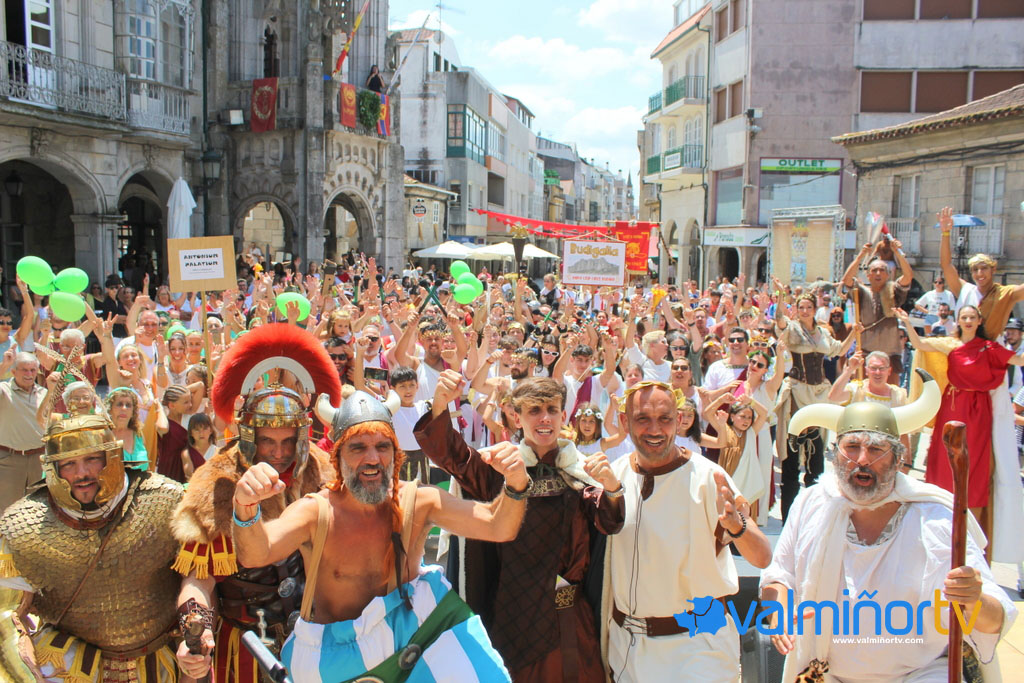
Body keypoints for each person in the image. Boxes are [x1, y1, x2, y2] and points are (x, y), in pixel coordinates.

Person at [230, 389, 524, 682]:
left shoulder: (419, 502)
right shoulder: (316, 512)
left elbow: (497, 526)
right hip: (340, 664)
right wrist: (245, 507)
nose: (373, 459)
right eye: (358, 448)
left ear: (396, 453)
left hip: (414, 650)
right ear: (337, 456)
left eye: (383, 446)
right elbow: (256, 553)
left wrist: (516, 483)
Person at [760, 375, 1016, 682]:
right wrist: (780, 612)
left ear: (898, 458)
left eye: (876, 449)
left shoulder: (934, 516)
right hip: (827, 675)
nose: (862, 460)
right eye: (852, 447)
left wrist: (973, 599)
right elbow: (779, 576)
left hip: (920, 675)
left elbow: (995, 619)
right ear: (835, 454)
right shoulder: (812, 503)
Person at [414, 373, 625, 681]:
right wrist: (440, 406)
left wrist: (613, 490)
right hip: (513, 617)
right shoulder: (497, 469)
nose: (545, 418)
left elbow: (609, 522)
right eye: (534, 410)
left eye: (552, 410)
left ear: (563, 416)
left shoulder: (580, 471)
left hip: (568, 621)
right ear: (516, 417)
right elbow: (452, 455)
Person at [172, 323, 341, 683]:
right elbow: (199, 580)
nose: (279, 453)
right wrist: (195, 627)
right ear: (249, 436)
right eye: (267, 441)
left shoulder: (322, 470)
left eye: (287, 441)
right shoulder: (216, 484)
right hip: (245, 643)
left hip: (315, 636)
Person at [601, 381, 772, 682]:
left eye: (665, 418)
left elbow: (762, 557)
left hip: (699, 646)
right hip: (628, 648)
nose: (655, 429)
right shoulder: (614, 477)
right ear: (625, 422)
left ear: (679, 420)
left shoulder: (709, 477)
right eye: (643, 419)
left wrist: (736, 526)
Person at [0, 413, 185, 680]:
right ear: (52, 468)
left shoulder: (165, 500)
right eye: (69, 464)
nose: (82, 473)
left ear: (112, 457)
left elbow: (199, 579)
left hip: (157, 661)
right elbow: (7, 617)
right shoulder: (23, 524)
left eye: (92, 459)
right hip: (67, 663)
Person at [896, 305, 1024, 563]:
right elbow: (919, 343)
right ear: (958, 320)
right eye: (964, 317)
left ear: (979, 321)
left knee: (975, 462)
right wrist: (907, 322)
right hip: (953, 405)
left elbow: (1018, 360)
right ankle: (940, 509)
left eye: (972, 317)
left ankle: (971, 523)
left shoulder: (988, 348)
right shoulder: (950, 344)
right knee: (945, 459)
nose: (967, 321)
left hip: (979, 411)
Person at [771, 284, 859, 521]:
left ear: (814, 308)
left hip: (819, 394)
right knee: (792, 454)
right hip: (797, 391)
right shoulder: (792, 329)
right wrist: (781, 296)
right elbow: (779, 320)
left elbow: (839, 350)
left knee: (816, 455)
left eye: (809, 307)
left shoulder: (823, 333)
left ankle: (813, 515)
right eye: (801, 307)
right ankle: (789, 517)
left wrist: (854, 332)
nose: (805, 311)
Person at [841, 238, 913, 383]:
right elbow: (847, 280)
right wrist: (861, 256)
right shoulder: (861, 292)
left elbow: (908, 276)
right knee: (862, 392)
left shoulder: (894, 291)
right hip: (866, 354)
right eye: (874, 270)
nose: (878, 273)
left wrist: (898, 253)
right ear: (868, 275)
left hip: (890, 356)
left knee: (891, 394)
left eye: (882, 270)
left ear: (888, 274)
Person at [828, 350, 910, 464]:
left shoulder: (898, 395)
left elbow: (903, 430)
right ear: (866, 370)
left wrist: (906, 462)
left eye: (882, 368)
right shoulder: (857, 389)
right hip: (854, 454)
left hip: (884, 457)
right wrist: (849, 370)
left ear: (889, 371)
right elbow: (833, 396)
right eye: (873, 368)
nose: (877, 372)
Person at [0, 351, 45, 513]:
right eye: (24, 370)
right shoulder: (4, 390)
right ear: (13, 372)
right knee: (7, 512)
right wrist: (4, 365)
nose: (29, 374)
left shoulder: (44, 393)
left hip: (38, 461)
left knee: (36, 511)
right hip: (10, 461)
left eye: (32, 370)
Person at [106, 386, 153, 470]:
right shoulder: (103, 436)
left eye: (128, 405)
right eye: (119, 404)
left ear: (133, 412)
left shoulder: (138, 434)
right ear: (110, 409)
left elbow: (147, 468)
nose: (124, 408)